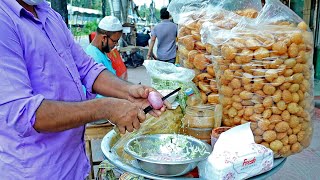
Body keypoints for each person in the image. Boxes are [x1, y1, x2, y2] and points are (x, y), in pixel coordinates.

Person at [0, 0, 169, 179]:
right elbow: (22, 113)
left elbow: (87, 68)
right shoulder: (5, 20)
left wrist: (131, 92)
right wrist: (106, 107)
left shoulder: (49, 14)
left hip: (75, 165)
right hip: (36, 171)